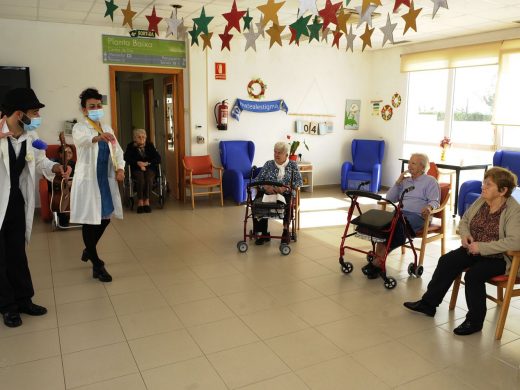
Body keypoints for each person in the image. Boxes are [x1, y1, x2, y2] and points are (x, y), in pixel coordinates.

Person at [404, 167, 520, 335]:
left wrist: (482, 247)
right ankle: (428, 304)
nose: (483, 187)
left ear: (503, 190)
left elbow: (515, 241)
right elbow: (464, 220)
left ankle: (475, 321)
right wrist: (465, 236)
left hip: (499, 258)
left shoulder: (513, 210)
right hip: (473, 250)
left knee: (474, 276)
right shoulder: (482, 200)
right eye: (483, 183)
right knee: (446, 261)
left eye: (488, 184)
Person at [0, 88, 70, 327]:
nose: (38, 115)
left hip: (17, 203)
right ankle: (7, 307)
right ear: (19, 114)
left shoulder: (31, 136)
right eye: (35, 111)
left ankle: (24, 300)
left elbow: (41, 160)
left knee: (17, 254)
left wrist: (55, 168)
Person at [70, 88, 125, 283]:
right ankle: (97, 264)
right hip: (88, 182)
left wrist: (120, 169)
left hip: (104, 180)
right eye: (91, 106)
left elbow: (117, 151)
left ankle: (88, 249)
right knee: (89, 221)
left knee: (105, 218)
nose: (96, 109)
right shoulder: (80, 128)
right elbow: (81, 141)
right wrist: (96, 137)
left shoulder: (108, 128)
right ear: (84, 110)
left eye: (98, 106)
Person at [363, 153, 440, 279]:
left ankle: (377, 262)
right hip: (400, 214)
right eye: (409, 162)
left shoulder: (430, 181)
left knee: (397, 226)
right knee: (384, 225)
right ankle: (378, 260)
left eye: (413, 163)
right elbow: (390, 198)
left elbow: (435, 201)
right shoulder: (405, 181)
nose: (409, 165)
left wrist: (429, 207)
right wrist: (398, 182)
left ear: (422, 167)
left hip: (417, 216)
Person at [252, 141, 303, 245]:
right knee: (257, 202)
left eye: (279, 152)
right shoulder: (268, 164)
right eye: (275, 152)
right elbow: (257, 180)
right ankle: (263, 233)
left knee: (287, 204)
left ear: (286, 155)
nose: (276, 154)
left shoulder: (293, 165)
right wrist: (265, 186)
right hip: (267, 192)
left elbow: (299, 182)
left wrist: (286, 188)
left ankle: (285, 231)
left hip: (285, 193)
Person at [124, 128, 161, 213]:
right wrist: (138, 163)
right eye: (139, 137)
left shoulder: (150, 145)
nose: (141, 139)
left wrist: (147, 164)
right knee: (140, 178)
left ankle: (147, 201)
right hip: (137, 168)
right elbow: (126, 158)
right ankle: (140, 201)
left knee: (148, 178)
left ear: (146, 137)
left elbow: (158, 158)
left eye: (143, 137)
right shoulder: (130, 146)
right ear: (135, 138)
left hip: (149, 167)